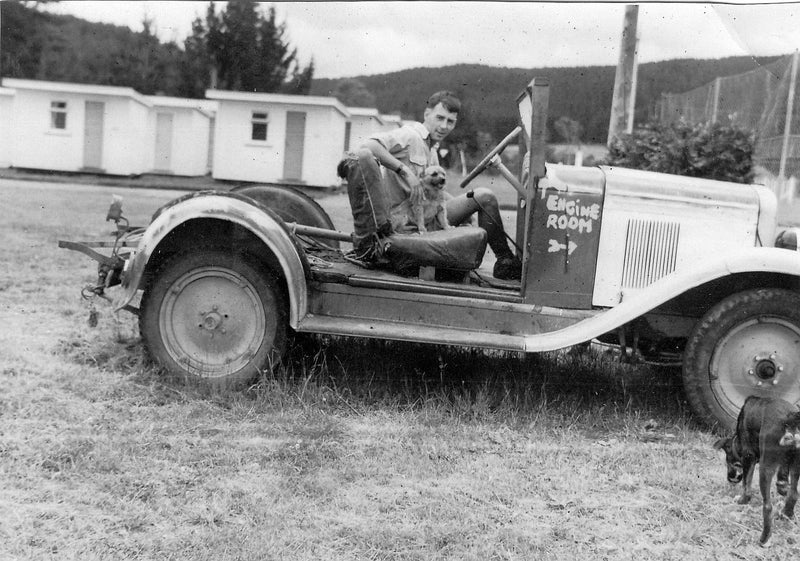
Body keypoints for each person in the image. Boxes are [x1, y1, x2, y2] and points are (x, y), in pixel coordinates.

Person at [337, 90, 522, 280]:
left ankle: (506, 262)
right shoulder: (410, 135)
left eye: (450, 121)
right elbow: (369, 145)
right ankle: (506, 263)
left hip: (426, 217)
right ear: (427, 114)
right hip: (403, 221)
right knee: (485, 196)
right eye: (439, 118)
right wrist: (404, 170)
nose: (444, 126)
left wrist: (467, 210)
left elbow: (436, 193)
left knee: (481, 199)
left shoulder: (432, 149)